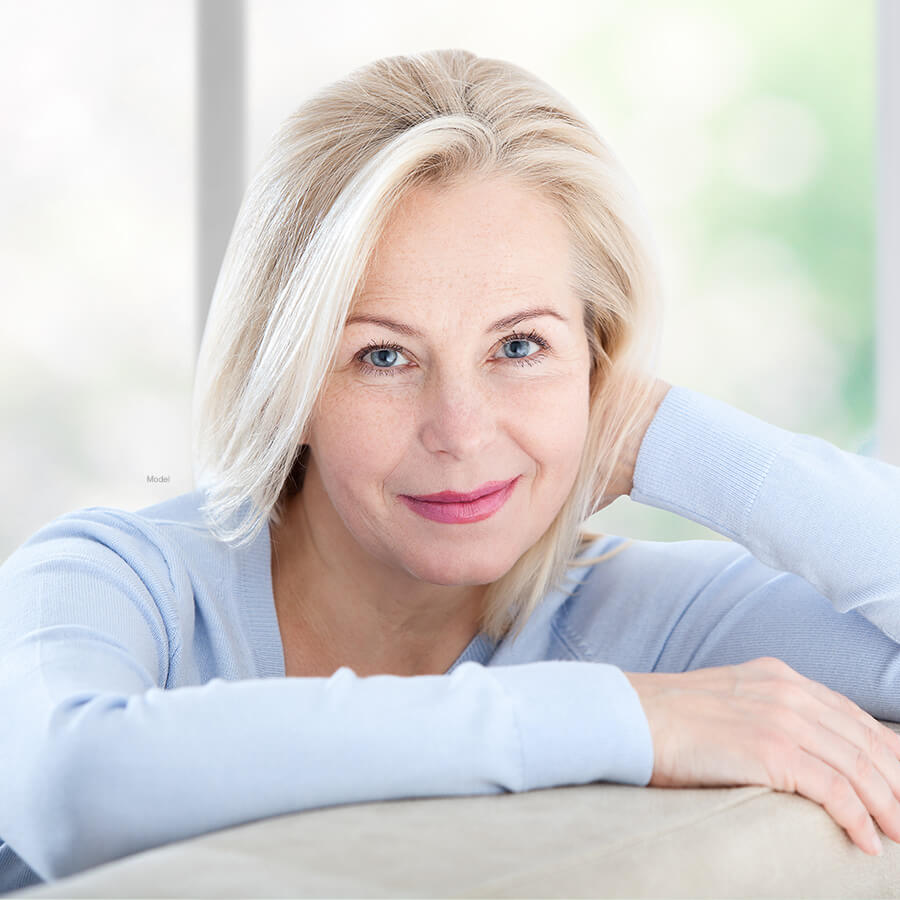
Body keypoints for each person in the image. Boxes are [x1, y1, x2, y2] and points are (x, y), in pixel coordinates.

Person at [1, 47, 899, 892]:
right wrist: (624, 719)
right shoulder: (114, 578)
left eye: (519, 345)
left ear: (598, 358)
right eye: (383, 358)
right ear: (291, 384)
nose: (460, 433)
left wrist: (669, 434)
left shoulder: (652, 621)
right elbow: (71, 787)